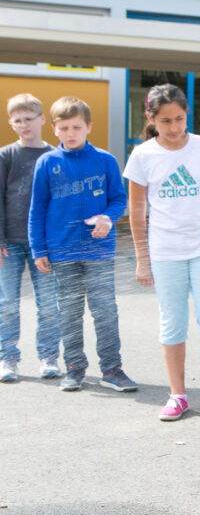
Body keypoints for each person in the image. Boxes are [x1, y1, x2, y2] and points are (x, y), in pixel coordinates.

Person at [124, 84, 200, 421]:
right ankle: (177, 394)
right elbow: (136, 212)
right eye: (166, 121)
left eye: (180, 118)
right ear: (151, 118)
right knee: (172, 321)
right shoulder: (143, 155)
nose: (175, 128)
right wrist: (142, 260)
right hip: (166, 251)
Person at [28, 96, 136, 393]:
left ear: (88, 126)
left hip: (99, 250)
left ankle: (112, 369)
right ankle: (74, 368)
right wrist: (38, 249)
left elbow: (118, 199)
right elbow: (37, 209)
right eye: (64, 128)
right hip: (61, 252)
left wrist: (108, 217)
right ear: (54, 129)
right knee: (70, 312)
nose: (70, 133)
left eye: (76, 126)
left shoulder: (105, 160)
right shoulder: (46, 163)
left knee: (104, 310)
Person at [0, 94, 61, 383]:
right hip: (8, 243)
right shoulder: (5, 155)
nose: (24, 125)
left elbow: (59, 202)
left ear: (41, 120)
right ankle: (7, 358)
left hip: (44, 245)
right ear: (11, 123)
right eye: (18, 120)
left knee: (48, 303)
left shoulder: (54, 156)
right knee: (7, 303)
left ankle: (49, 357)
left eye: (29, 119)